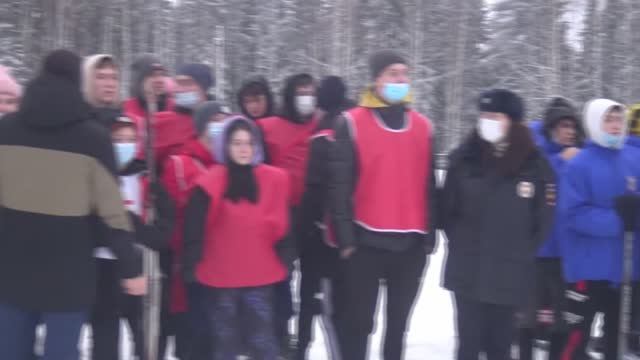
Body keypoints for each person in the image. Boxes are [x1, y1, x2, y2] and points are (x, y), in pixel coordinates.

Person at [0, 49, 145, 360]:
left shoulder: (5, 131)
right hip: (70, 275)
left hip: (11, 270)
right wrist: (130, 265)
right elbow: (112, 213)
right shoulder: (92, 138)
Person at [329, 50, 437, 360]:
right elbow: (340, 187)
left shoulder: (423, 127)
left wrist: (428, 237)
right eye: (392, 73)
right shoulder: (351, 122)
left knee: (397, 327)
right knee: (359, 324)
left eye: (404, 73)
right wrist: (347, 241)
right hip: (366, 243)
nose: (400, 79)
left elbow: (429, 185)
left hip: (409, 246)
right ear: (376, 79)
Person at [441, 89, 555, 360]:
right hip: (468, 269)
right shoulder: (464, 157)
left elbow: (542, 220)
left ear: (513, 121)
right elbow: (447, 210)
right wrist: (463, 241)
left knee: (500, 347)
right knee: (468, 346)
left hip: (509, 273)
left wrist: (518, 252)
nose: (487, 120)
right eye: (484, 115)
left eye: (495, 115)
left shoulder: (534, 165)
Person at [182, 116, 291, 360]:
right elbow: (195, 228)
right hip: (220, 276)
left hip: (261, 274)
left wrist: (287, 256)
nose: (243, 149)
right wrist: (191, 263)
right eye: (236, 143)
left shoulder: (274, 179)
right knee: (225, 342)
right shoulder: (210, 182)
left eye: (248, 143)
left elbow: (284, 225)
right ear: (225, 146)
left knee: (262, 339)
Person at [559, 99, 640, 360]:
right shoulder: (580, 164)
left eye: (619, 120)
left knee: (615, 342)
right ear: (594, 123)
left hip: (624, 270)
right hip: (588, 268)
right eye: (608, 120)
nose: (616, 126)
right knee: (576, 338)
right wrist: (618, 219)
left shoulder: (632, 160)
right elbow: (573, 214)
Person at [90, 116, 174, 360]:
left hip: (140, 263)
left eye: (130, 139)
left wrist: (136, 225)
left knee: (147, 334)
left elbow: (161, 233)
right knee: (105, 336)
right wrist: (128, 221)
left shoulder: (147, 179)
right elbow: (96, 225)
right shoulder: (96, 173)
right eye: (118, 139)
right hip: (103, 265)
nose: (124, 145)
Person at [257, 73, 319, 354]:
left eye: (311, 91)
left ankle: (303, 343)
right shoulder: (269, 126)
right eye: (300, 91)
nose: (306, 96)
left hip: (316, 214)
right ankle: (279, 336)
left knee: (311, 285)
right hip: (280, 214)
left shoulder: (324, 123)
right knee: (279, 278)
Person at [519, 97, 583, 360]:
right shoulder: (536, 154)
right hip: (535, 250)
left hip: (566, 254)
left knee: (561, 319)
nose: (569, 131)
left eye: (572, 127)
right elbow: (539, 182)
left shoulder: (580, 154)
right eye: (563, 126)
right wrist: (562, 160)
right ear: (550, 127)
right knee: (527, 317)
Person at [161, 101, 227, 359]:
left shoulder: (231, 165)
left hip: (225, 270)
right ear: (201, 125)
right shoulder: (179, 164)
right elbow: (173, 218)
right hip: (190, 268)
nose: (221, 125)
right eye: (215, 119)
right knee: (192, 342)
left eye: (224, 119)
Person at [295, 76, 352, 360]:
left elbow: (315, 188)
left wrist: (302, 230)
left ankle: (302, 348)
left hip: (322, 234)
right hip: (353, 233)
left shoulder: (323, 133)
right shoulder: (357, 124)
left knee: (314, 301)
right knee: (341, 307)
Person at [123, 54, 172, 123]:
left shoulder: (173, 108)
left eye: (162, 75)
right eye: (153, 75)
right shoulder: (127, 110)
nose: (160, 80)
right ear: (141, 80)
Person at [82, 54, 121, 128]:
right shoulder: (79, 124)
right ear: (88, 80)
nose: (110, 84)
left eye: (114, 77)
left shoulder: (126, 123)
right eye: (101, 77)